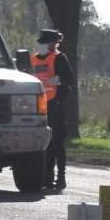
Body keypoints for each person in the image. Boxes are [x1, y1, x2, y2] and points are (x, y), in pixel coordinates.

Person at [32, 29, 75, 192]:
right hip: (38, 106)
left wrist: (56, 80)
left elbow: (69, 79)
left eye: (47, 42)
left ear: (53, 44)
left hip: (55, 104)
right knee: (45, 143)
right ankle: (46, 178)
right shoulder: (33, 59)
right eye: (42, 42)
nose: (43, 45)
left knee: (57, 142)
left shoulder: (59, 58)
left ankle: (60, 177)